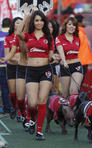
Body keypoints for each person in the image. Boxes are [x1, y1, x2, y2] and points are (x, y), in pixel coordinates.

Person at [17, 10, 55, 140]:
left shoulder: (48, 36)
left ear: (44, 22)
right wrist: (26, 16)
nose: (39, 22)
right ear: (33, 22)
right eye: (36, 20)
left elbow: (50, 55)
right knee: (32, 104)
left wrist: (53, 58)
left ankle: (39, 131)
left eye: (41, 20)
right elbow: (17, 32)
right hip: (31, 71)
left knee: (42, 100)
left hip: (46, 70)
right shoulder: (28, 35)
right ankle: (32, 119)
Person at [0, 17, 23, 119]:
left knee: (21, 92)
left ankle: (20, 113)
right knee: (12, 92)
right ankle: (13, 107)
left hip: (23, 67)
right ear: (13, 24)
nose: (19, 25)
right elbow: (7, 57)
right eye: (17, 23)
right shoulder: (8, 38)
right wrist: (17, 60)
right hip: (11, 67)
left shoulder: (26, 37)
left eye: (21, 23)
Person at [55, 17, 83, 98]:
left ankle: (74, 109)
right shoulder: (59, 38)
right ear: (65, 26)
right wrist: (64, 61)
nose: (72, 27)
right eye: (69, 24)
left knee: (73, 91)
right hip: (65, 66)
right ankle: (66, 110)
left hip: (77, 65)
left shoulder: (77, 38)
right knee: (65, 94)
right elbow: (60, 52)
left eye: (74, 25)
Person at [0, 18, 12, 113]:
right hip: (10, 64)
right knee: (7, 88)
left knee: (4, 87)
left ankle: (7, 107)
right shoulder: (12, 35)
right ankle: (9, 107)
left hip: (1, 64)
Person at [48, 19, 60, 95]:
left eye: (51, 27)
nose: (49, 29)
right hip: (43, 65)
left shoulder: (57, 39)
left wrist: (57, 56)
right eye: (47, 27)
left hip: (55, 65)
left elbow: (61, 53)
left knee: (55, 87)